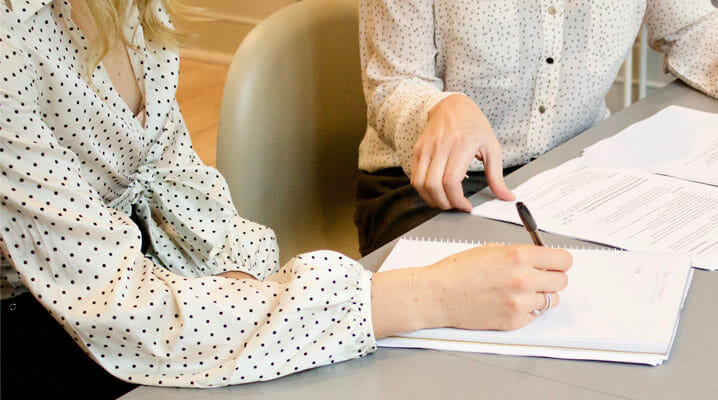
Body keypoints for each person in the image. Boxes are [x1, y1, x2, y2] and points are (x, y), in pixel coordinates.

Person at [0, 0, 572, 397]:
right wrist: (428, 297)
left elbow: (177, 183)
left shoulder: (133, 13)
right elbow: (124, 310)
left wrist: (244, 279)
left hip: (132, 284)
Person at [355, 0, 718, 255]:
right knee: (505, 311)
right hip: (427, 186)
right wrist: (439, 109)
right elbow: (392, 81)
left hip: (574, 171)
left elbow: (690, 28)